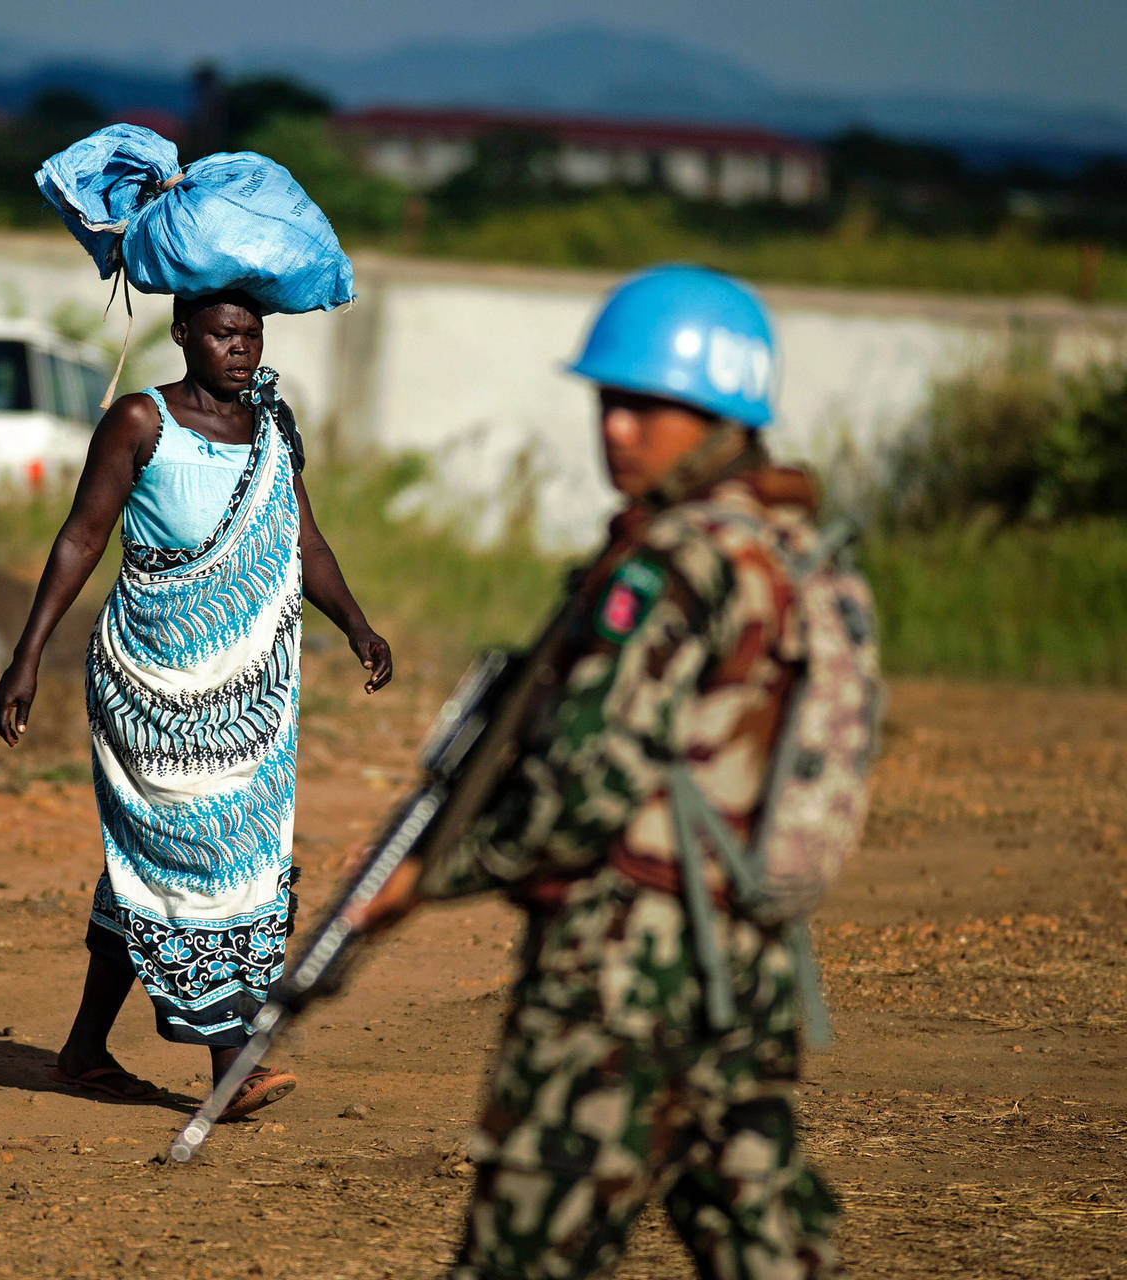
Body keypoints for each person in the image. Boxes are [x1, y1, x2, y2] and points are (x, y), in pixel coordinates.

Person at [356, 265, 841, 1278]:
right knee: (765, 1240)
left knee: (529, 1251)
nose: (615, 429)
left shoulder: (665, 565)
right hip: (747, 963)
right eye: (607, 403)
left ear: (719, 414)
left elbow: (581, 796)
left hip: (618, 973)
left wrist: (426, 873)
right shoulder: (801, 556)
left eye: (643, 405)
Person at [0, 291, 393, 1120]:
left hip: (252, 694)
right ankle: (231, 1066)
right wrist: (27, 656)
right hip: (152, 689)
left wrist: (357, 624)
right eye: (222, 333)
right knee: (206, 854)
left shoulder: (274, 431)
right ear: (184, 335)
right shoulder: (141, 421)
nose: (239, 349)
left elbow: (302, 542)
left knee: (170, 865)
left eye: (251, 334)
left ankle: (83, 1048)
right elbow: (81, 536)